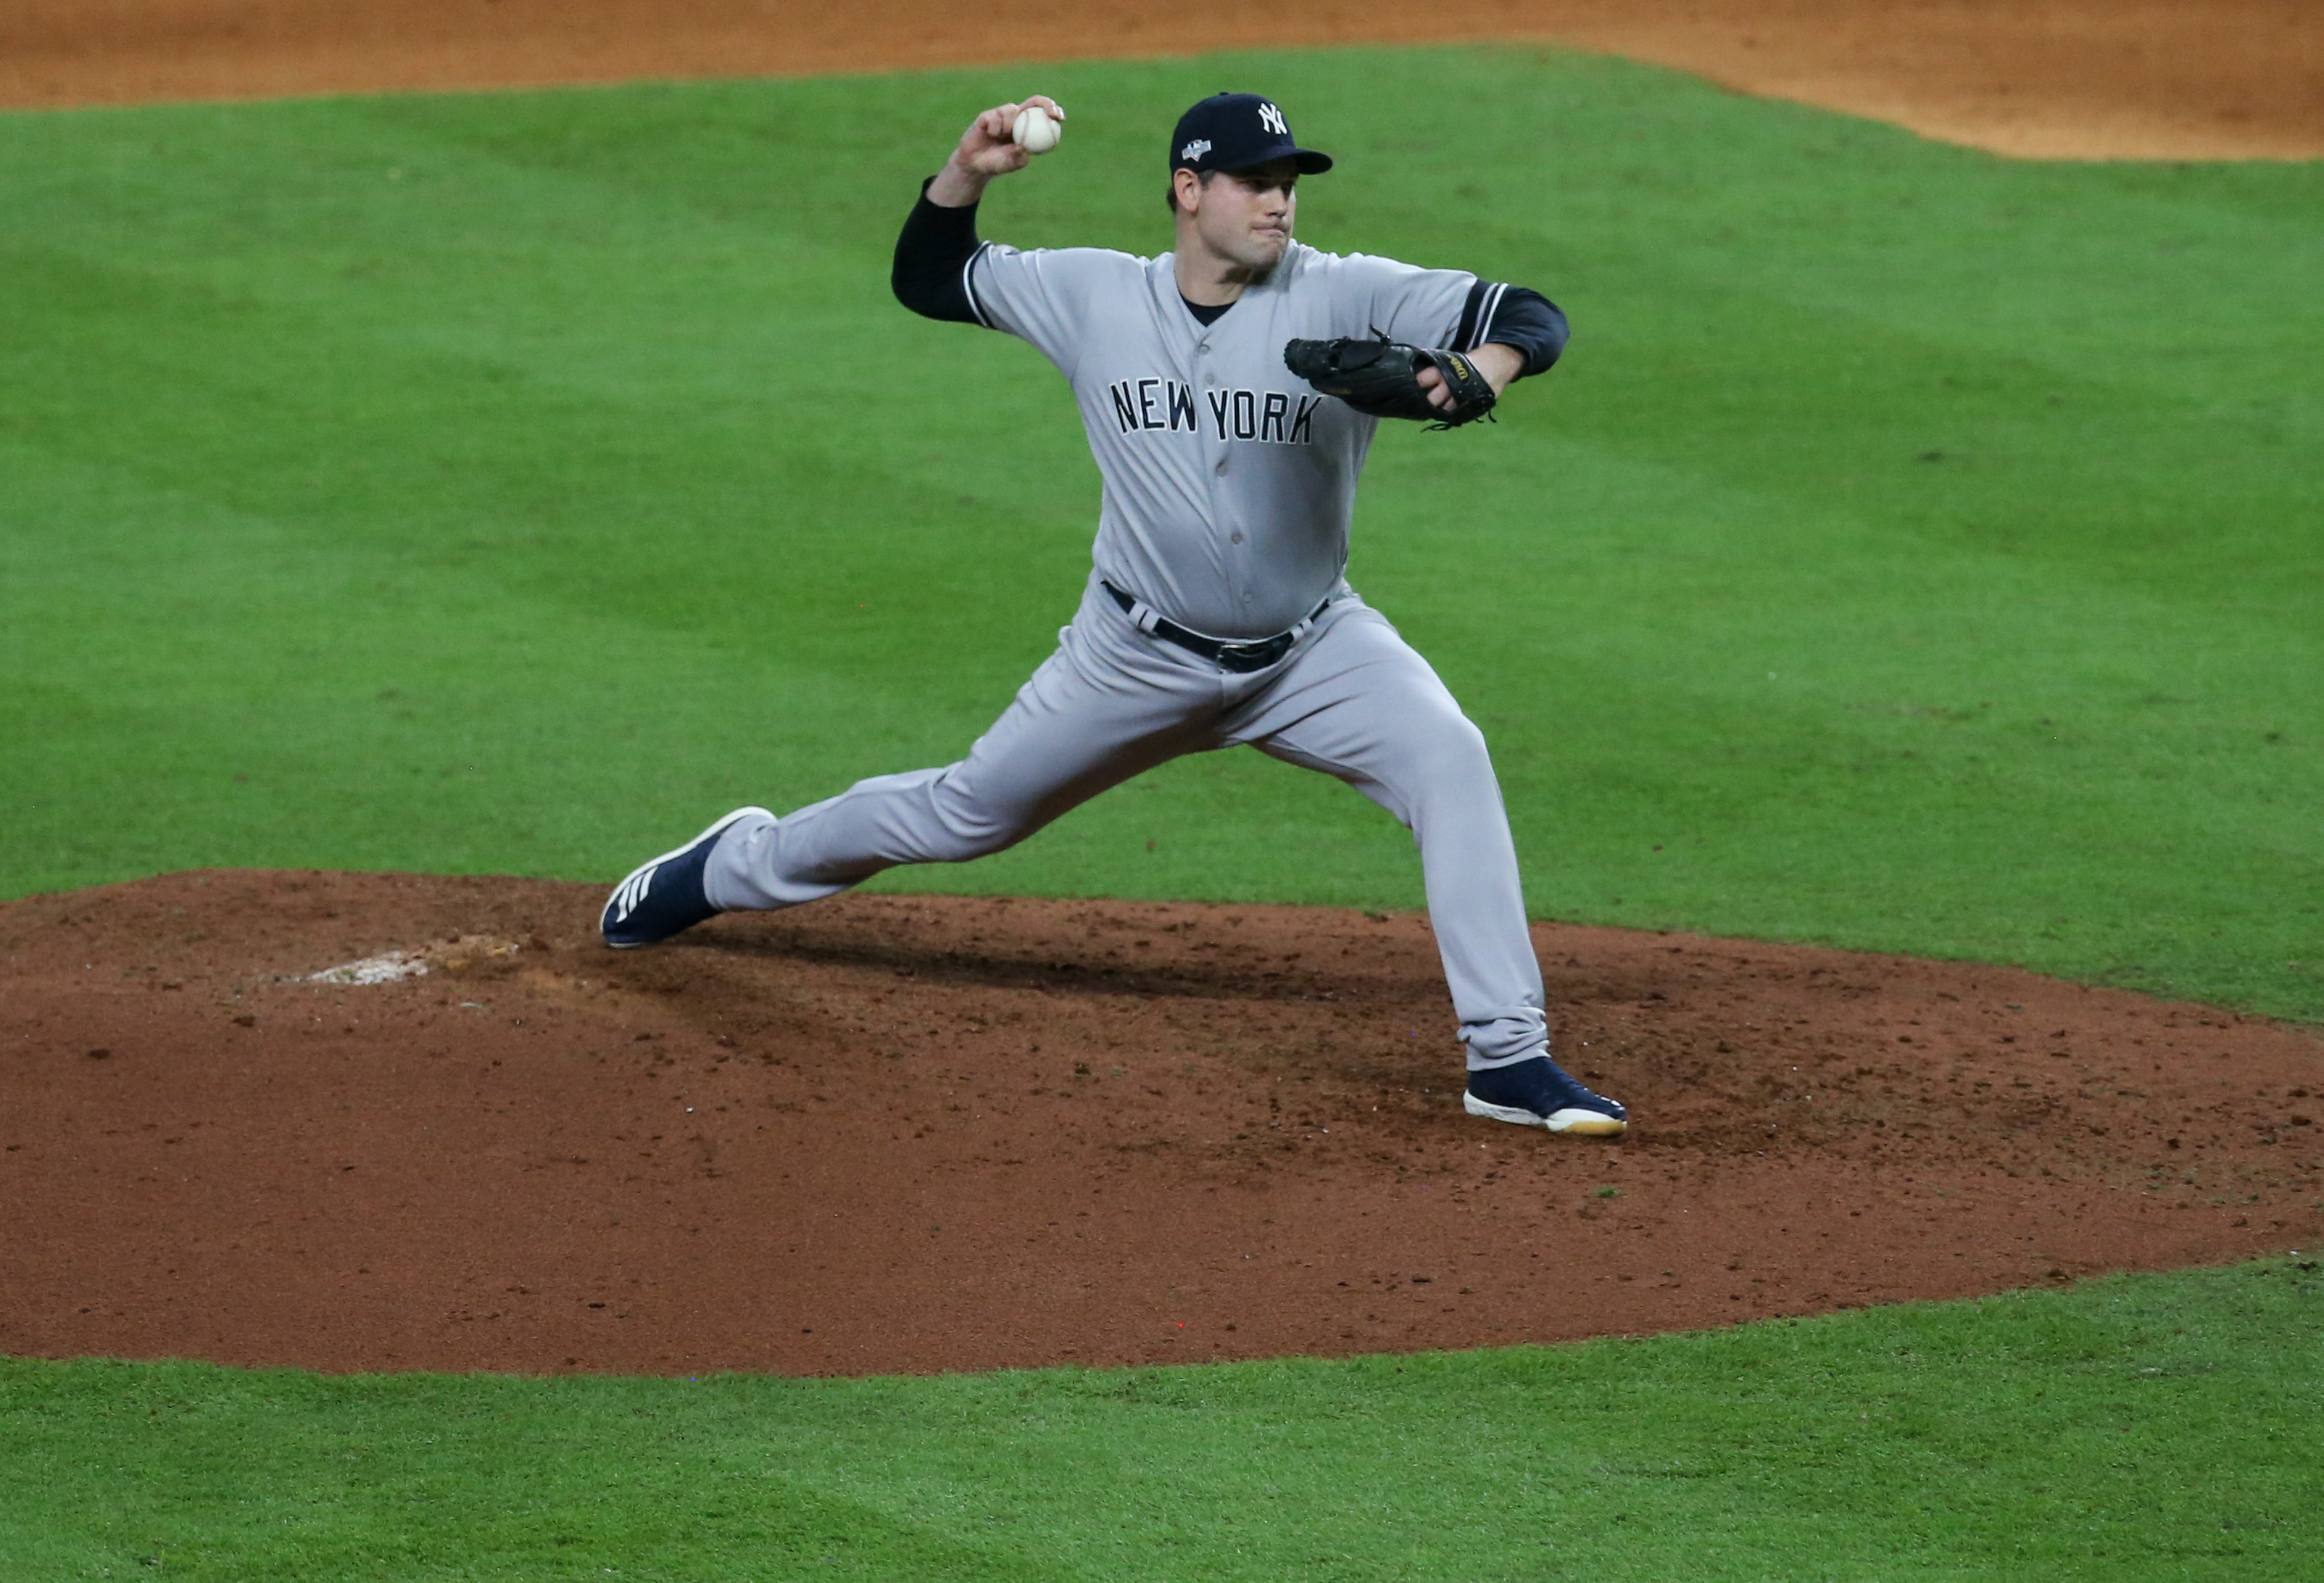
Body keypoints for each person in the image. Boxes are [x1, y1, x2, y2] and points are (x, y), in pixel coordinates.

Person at [599, 91, 1627, 1136]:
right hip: (1131, 657)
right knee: (964, 814)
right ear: (1189, 190)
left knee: (1450, 755)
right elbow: (928, 278)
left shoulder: (1344, 290)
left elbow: (1529, 314)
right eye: (1256, 182)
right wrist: (965, 172)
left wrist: (1471, 373)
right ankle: (733, 863)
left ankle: (1507, 1057)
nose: (1281, 203)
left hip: (1315, 650)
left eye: (1290, 184)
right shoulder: (1093, 293)